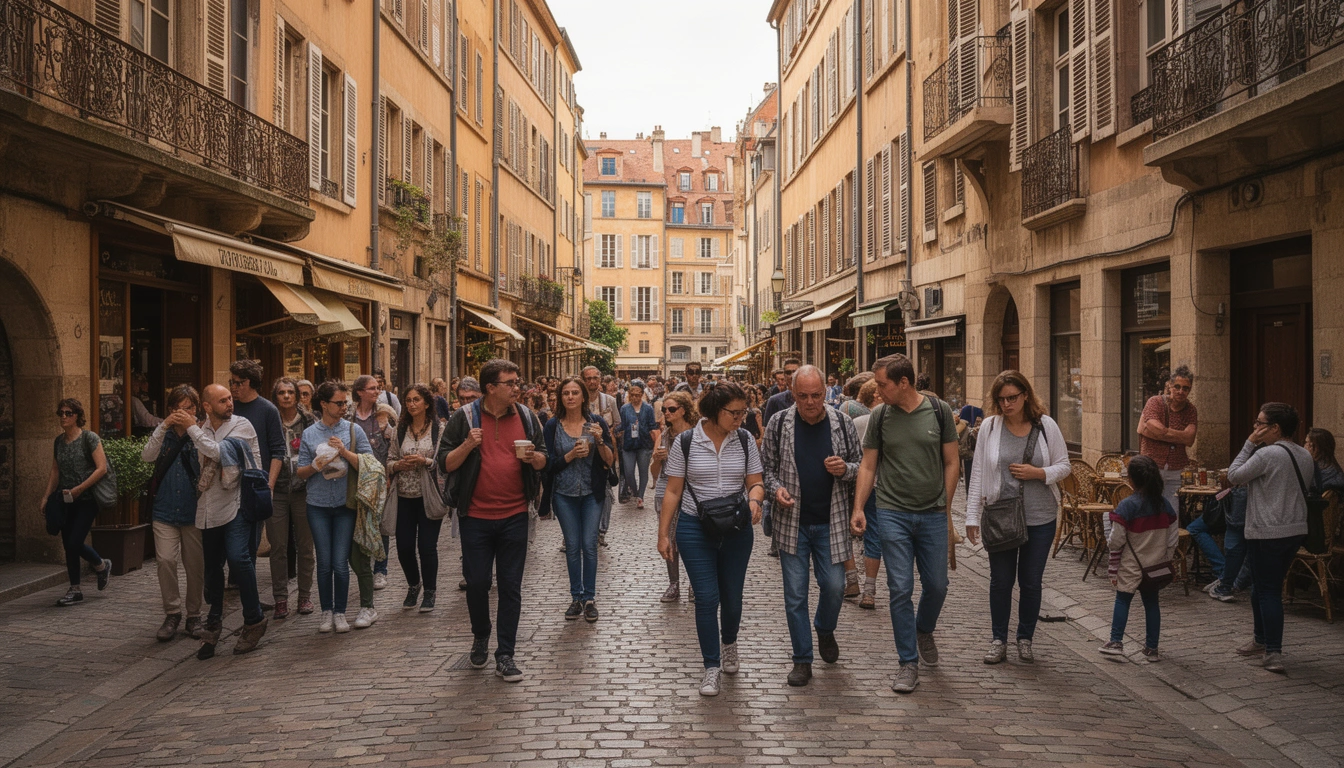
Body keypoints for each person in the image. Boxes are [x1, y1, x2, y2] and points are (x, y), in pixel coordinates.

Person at [850, 354, 959, 694]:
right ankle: (907, 662)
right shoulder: (880, 416)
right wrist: (859, 507)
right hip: (892, 511)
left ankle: (923, 628)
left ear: (904, 383)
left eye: (882, 385)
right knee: (900, 589)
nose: (877, 391)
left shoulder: (938, 412)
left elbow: (952, 461)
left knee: (937, 585)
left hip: (932, 513)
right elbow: (868, 466)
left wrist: (946, 503)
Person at [438, 359, 547, 683]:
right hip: (476, 517)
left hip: (514, 514)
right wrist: (469, 444)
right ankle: (481, 634)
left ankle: (506, 655)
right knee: (478, 583)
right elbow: (444, 463)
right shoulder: (464, 418)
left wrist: (534, 458)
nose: (518, 387)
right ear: (491, 388)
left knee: (511, 586)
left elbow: (544, 458)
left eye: (518, 382)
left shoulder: (526, 416)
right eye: (510, 383)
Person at [658, 382, 766, 697]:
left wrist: (756, 500)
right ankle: (711, 666)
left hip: (736, 528)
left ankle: (729, 642)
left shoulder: (745, 440)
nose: (740, 418)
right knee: (706, 598)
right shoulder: (687, 442)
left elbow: (756, 482)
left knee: (732, 598)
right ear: (714, 411)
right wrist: (663, 534)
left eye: (743, 412)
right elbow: (673, 489)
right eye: (734, 413)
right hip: (695, 527)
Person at [761, 366, 861, 687]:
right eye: (802, 396)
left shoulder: (842, 423)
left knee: (834, 587)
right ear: (793, 395)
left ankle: (824, 627)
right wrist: (776, 489)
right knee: (795, 595)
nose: (810, 402)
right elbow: (767, 469)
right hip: (792, 523)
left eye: (816, 395)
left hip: (831, 522)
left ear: (825, 393)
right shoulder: (779, 424)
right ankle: (802, 659)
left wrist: (845, 468)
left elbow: (862, 467)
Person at [964, 371, 1071, 665]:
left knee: (1031, 581)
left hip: (1041, 517)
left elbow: (1064, 466)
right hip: (1001, 516)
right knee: (1000, 581)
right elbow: (978, 474)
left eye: (1012, 397)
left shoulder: (1046, 426)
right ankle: (998, 639)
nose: (1007, 404)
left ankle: (1025, 638)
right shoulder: (989, 427)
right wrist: (971, 516)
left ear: (1026, 395)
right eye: (1002, 399)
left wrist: (1040, 473)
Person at [1226, 402, 1312, 673]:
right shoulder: (1304, 455)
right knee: (1261, 587)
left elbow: (1234, 475)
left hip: (1267, 531)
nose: (1255, 428)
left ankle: (1272, 651)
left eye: (1260, 424)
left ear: (1275, 428)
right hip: (1294, 530)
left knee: (1268, 590)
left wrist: (1248, 444)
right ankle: (1260, 639)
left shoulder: (1267, 454)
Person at [188, 383, 267, 659]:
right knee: (212, 569)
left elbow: (218, 452)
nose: (229, 404)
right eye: (222, 401)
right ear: (207, 406)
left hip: (238, 503)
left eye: (230, 398)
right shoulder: (202, 428)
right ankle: (213, 625)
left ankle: (254, 620)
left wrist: (191, 428)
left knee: (238, 558)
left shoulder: (241, 425)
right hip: (208, 508)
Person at [296, 381, 373, 634]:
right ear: (323, 405)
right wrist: (317, 465)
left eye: (345, 403)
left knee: (340, 562)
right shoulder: (309, 434)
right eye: (338, 403)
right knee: (324, 562)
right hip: (317, 504)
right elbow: (300, 472)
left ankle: (341, 612)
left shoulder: (353, 431)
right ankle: (326, 611)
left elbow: (370, 465)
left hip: (344, 504)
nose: (343, 407)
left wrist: (344, 452)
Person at [546, 377, 615, 622]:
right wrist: (571, 455)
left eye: (575, 392)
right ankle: (576, 597)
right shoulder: (553, 426)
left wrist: (598, 440)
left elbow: (609, 460)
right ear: (560, 398)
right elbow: (548, 465)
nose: (571, 397)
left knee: (589, 545)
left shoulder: (596, 423)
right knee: (573, 546)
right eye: (566, 393)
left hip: (592, 492)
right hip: (564, 494)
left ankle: (590, 598)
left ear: (584, 396)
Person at [1099, 454, 1178, 663]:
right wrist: (1164, 557)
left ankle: (1116, 641)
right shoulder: (1165, 505)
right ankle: (1152, 648)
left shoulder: (1127, 506)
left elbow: (1116, 541)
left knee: (1123, 599)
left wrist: (1109, 540)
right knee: (1152, 604)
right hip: (1155, 563)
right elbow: (1173, 539)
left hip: (1131, 563)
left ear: (1131, 480)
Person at [141, 386, 204, 640]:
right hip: (164, 509)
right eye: (179, 408)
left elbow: (208, 456)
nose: (183, 413)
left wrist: (193, 428)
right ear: (170, 410)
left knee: (195, 566)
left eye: (189, 408)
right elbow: (147, 456)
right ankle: (172, 612)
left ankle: (194, 615)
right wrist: (164, 425)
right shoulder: (163, 434)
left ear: (196, 409)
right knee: (166, 560)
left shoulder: (201, 434)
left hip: (195, 511)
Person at [44, 398, 113, 607]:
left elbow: (102, 468)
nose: (64, 417)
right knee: (68, 545)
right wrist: (46, 497)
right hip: (64, 499)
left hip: (87, 499)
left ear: (77, 416)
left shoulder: (89, 438)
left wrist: (79, 489)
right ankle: (75, 589)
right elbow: (55, 471)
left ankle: (101, 565)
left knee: (75, 542)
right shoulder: (58, 441)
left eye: (68, 413)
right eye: (61, 413)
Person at [386, 384, 444, 613]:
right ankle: (414, 583)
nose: (411, 404)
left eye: (416, 400)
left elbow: (443, 461)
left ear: (427, 403)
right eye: (408, 400)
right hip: (404, 496)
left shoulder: (439, 429)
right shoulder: (400, 430)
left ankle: (430, 591)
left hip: (429, 494)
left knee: (427, 547)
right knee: (404, 547)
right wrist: (396, 465)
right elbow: (389, 459)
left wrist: (426, 462)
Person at [227, 360, 284, 587]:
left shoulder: (268, 410)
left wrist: (268, 487)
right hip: (228, 482)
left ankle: (244, 585)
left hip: (255, 485)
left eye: (238, 383)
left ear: (250, 383)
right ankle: (235, 579)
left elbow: (278, 451)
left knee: (250, 539)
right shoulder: (229, 407)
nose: (233, 387)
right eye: (231, 382)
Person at [265, 377, 316, 619]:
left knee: (305, 546)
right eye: (281, 393)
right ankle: (281, 599)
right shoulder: (269, 420)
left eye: (290, 392)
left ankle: (304, 596)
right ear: (276, 397)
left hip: (303, 489)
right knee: (278, 547)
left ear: (296, 396)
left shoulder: (308, 421)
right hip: (277, 490)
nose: (286, 396)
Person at [650, 390, 698, 602]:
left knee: (692, 538)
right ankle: (673, 583)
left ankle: (695, 584)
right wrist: (658, 460)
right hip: (664, 490)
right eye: (664, 410)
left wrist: (675, 457)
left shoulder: (697, 435)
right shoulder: (663, 436)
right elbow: (654, 473)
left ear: (684, 411)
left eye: (671, 409)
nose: (666, 413)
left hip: (691, 491)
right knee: (669, 537)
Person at [351, 374, 395, 591]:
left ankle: (381, 569)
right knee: (357, 522)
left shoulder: (383, 413)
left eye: (378, 388)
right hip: (354, 475)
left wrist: (385, 426)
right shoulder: (350, 414)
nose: (377, 391)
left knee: (379, 524)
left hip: (378, 476)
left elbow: (394, 443)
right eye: (372, 388)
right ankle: (363, 567)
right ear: (360, 392)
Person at [1137, 365, 1197, 513]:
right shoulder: (1155, 402)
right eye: (1177, 386)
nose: (1181, 391)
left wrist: (1162, 433)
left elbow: (1189, 439)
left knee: (1172, 515)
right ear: (1170, 386)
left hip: (1176, 469)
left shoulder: (1191, 410)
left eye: (1185, 388)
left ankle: (1170, 538)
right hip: (1151, 467)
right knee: (1149, 512)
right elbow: (1155, 427)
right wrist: (1178, 436)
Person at [848, 378, 882, 608]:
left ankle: (852, 581)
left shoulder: (856, 421)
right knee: (874, 536)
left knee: (844, 531)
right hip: (879, 487)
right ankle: (869, 588)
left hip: (853, 485)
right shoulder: (876, 421)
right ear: (876, 397)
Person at [582, 366, 621, 546]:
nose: (592, 382)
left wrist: (608, 433)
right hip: (582, 451)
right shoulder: (577, 399)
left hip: (604, 449)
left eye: (595, 378)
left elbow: (618, 423)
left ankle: (601, 531)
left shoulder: (609, 401)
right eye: (588, 378)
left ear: (600, 380)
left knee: (605, 491)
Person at [619, 379, 658, 509]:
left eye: (637, 395)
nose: (635, 397)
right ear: (629, 394)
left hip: (644, 444)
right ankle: (635, 492)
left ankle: (640, 496)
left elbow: (652, 425)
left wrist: (655, 442)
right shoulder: (624, 408)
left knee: (643, 472)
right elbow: (622, 425)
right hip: (629, 445)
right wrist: (615, 431)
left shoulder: (647, 408)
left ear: (642, 394)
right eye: (632, 395)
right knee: (629, 472)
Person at [762, 358, 802, 427]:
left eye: (795, 372)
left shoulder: (811, 399)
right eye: (788, 372)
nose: (792, 376)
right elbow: (767, 430)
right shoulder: (774, 401)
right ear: (784, 376)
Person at [1306, 428, 1344, 493]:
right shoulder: (1333, 467)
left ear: (1314, 447)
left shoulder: (1317, 469)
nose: (1304, 446)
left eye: (1306, 442)